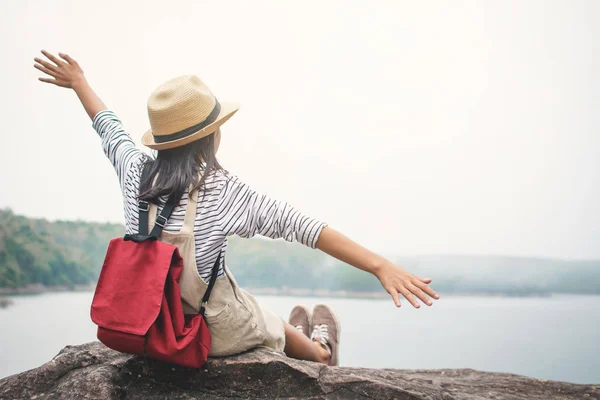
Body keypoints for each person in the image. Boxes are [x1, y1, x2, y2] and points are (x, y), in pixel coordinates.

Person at [33, 50, 439, 366]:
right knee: (264, 317)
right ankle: (320, 353)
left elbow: (108, 125)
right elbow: (304, 228)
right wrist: (379, 266)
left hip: (146, 321)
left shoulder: (134, 170)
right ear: (210, 137)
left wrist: (78, 82)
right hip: (204, 331)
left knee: (255, 308)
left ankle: (293, 334)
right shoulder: (223, 190)